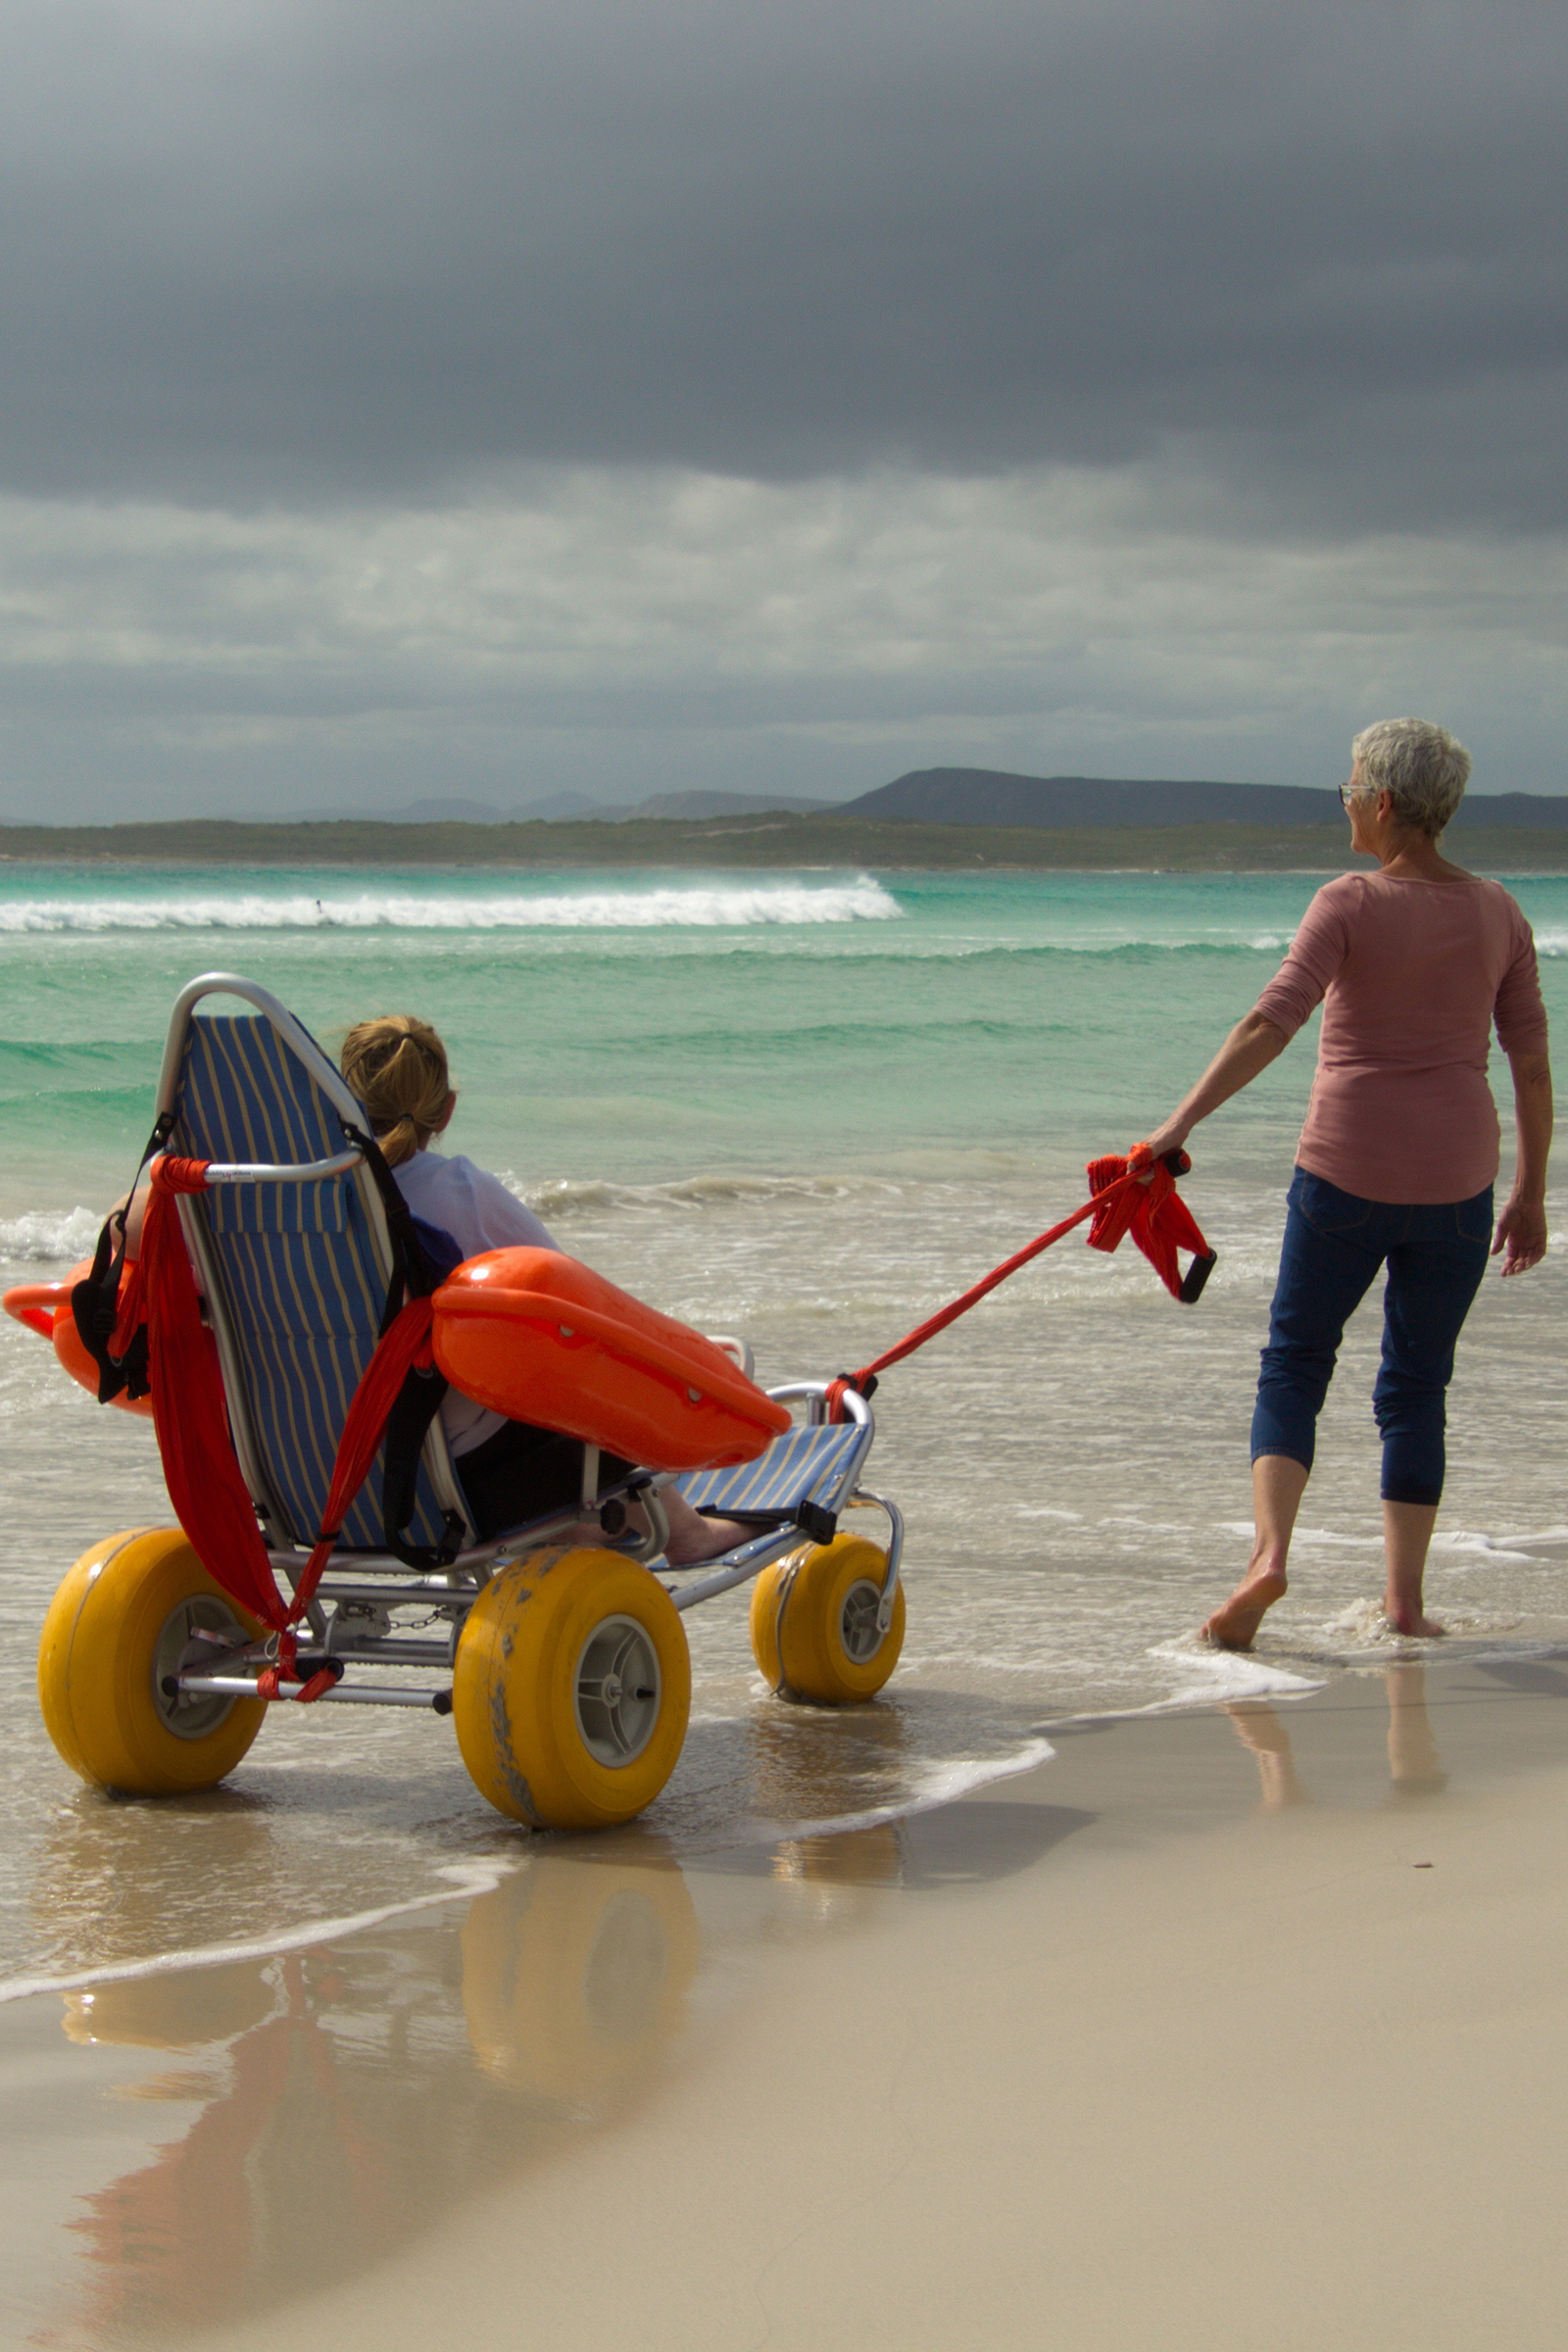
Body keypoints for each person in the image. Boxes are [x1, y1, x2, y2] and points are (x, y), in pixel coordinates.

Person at [1140, 718, 1552, 1648]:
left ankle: (1269, 1558)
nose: (1345, 803)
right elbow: (1531, 1065)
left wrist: (1178, 1126)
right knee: (1416, 1386)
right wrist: (1531, 1193)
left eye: (1351, 787)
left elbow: (1268, 1022)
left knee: (1295, 1362)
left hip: (1344, 1172)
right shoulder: (1500, 911)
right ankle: (1404, 1604)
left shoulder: (1350, 901)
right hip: (1459, 1185)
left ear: (1386, 804)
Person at [338, 1014, 753, 1565]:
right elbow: (570, 1297)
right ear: (446, 1110)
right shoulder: (458, 1191)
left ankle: (584, 1537)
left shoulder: (290, 1205)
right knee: (583, 1365)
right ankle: (686, 1534)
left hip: (319, 1476)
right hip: (453, 1483)